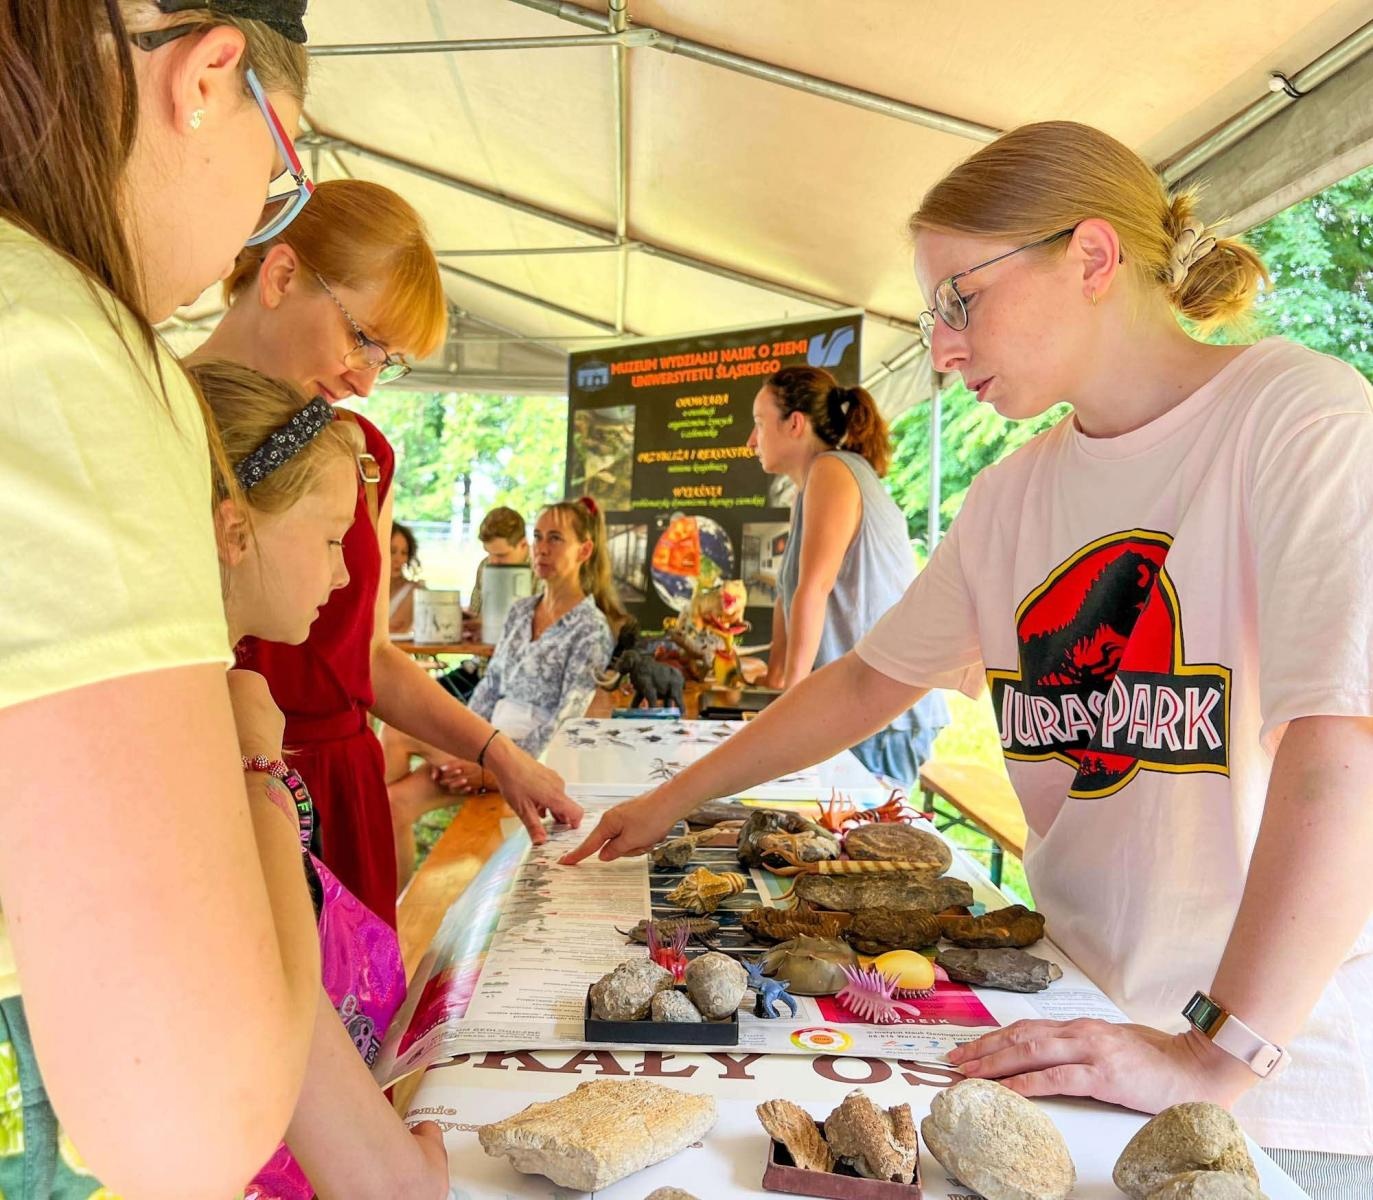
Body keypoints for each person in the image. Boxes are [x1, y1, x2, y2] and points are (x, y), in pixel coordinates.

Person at [565, 121, 1373, 1195]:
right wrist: (676, 795)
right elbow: (864, 680)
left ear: (1090, 257)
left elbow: (1339, 750)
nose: (940, 347)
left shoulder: (1296, 417)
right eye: (929, 313)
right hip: (1074, 1025)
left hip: (1269, 1079)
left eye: (960, 299)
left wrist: (1214, 1052)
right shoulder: (1012, 494)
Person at [0, 3, 321, 1196]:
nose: (253, 221)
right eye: (279, 165)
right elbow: (183, 1119)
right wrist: (252, 768)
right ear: (208, 77)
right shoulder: (54, 339)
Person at [188, 178, 583, 928]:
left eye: (388, 360)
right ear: (279, 276)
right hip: (217, 792)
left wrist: (498, 752)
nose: (365, 380)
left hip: (343, 786)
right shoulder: (155, 420)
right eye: (363, 338)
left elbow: (366, 656)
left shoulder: (363, 456)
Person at [196, 359, 447, 1200]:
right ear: (236, 532)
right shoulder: (215, 722)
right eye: (332, 537)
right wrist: (260, 763)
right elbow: (279, 987)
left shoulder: (224, 693)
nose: (344, 575)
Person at [386, 498, 620, 888]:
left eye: (556, 539)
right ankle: (377, 919)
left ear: (584, 550)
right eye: (538, 537)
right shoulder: (519, 610)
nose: (542, 548)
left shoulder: (591, 627)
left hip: (530, 762)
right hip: (487, 742)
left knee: (396, 761)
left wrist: (494, 765)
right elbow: (490, 687)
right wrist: (470, 746)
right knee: (392, 788)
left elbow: (566, 723)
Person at [752, 364, 949, 784]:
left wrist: (788, 711)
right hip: (854, 707)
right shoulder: (812, 484)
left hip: (880, 714)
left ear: (795, 424)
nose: (751, 440)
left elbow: (814, 590)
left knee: (863, 845)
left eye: (758, 423)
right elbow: (790, 596)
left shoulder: (832, 471)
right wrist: (776, 680)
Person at [468, 504, 530, 617]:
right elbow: (475, 612)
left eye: (501, 555)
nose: (493, 561)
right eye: (489, 553)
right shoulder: (485, 565)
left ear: (523, 545)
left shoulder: (544, 572)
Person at [388, 520, 423, 636]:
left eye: (404, 553)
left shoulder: (414, 591)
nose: (399, 559)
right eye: (392, 551)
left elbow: (395, 630)